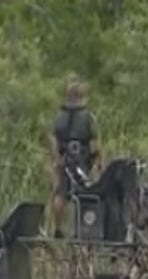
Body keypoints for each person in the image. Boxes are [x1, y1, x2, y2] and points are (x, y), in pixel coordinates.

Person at [49, 80, 102, 238]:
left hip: (64, 158)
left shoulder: (59, 116)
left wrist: (57, 158)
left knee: (61, 194)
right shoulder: (87, 117)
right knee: (86, 193)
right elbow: (95, 141)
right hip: (82, 160)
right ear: (81, 96)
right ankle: (82, 229)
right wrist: (99, 161)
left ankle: (57, 229)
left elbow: (53, 138)